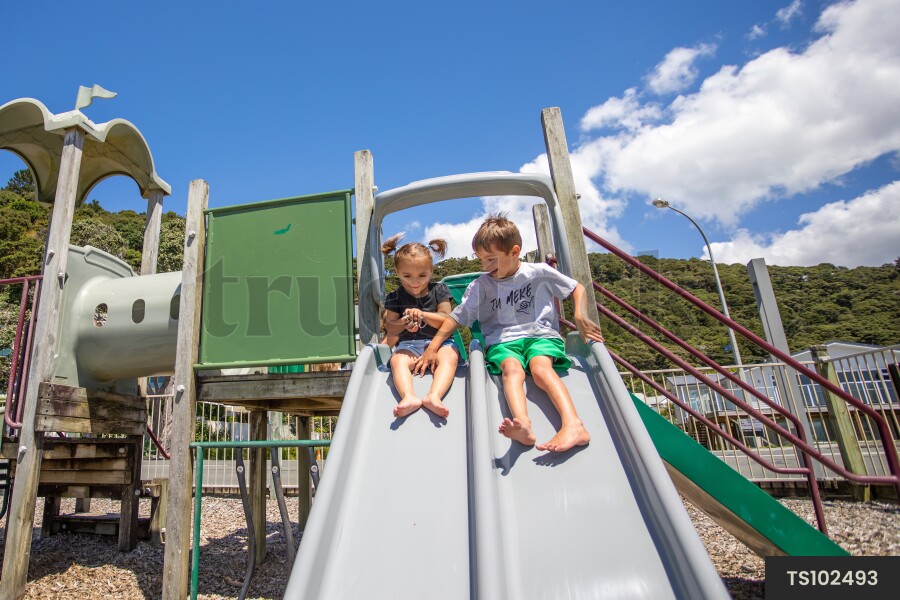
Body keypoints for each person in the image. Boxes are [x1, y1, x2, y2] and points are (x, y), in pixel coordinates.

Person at [415, 214, 604, 452]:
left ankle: (573, 424)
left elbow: (576, 287)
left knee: (540, 368)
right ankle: (522, 424)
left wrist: (579, 315)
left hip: (540, 335)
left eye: (491, 259)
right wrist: (433, 347)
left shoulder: (538, 272)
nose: (485, 267)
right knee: (511, 369)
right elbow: (457, 318)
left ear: (514, 252)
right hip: (503, 341)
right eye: (481, 260)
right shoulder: (481, 286)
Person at [381, 233, 460, 418]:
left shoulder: (439, 290)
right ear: (397, 272)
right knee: (397, 361)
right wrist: (404, 322)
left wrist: (423, 315)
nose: (414, 282)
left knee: (450, 357)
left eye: (422, 275)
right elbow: (390, 328)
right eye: (407, 275)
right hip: (408, 346)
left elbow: (447, 320)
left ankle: (434, 396)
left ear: (431, 271)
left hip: (440, 344)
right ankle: (409, 397)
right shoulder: (394, 297)